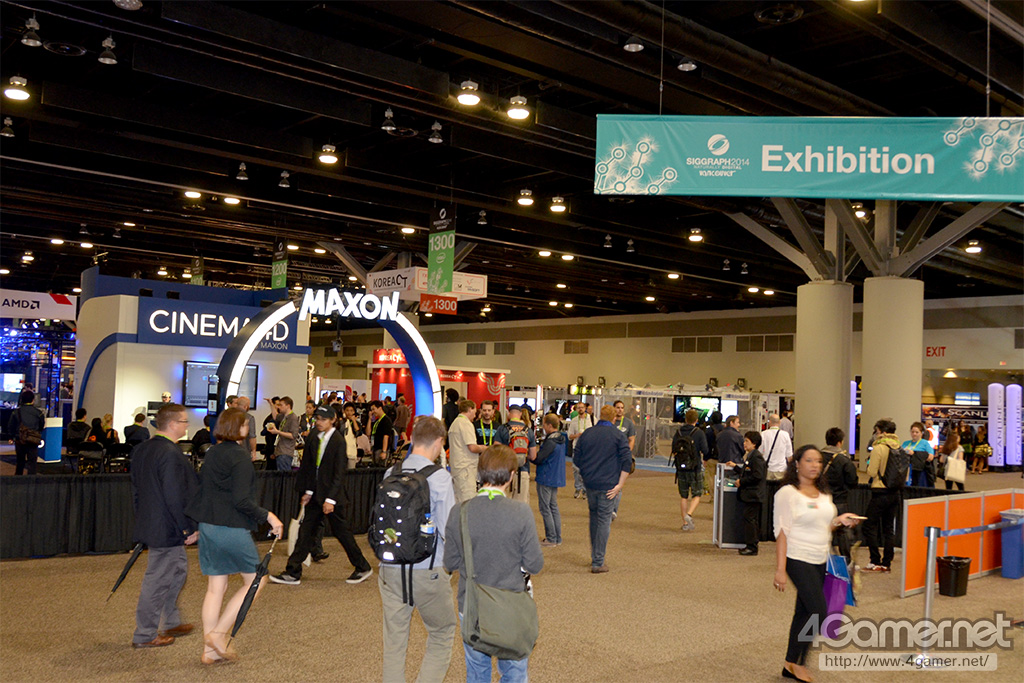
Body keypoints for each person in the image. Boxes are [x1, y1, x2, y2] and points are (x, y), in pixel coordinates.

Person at [184, 408, 284, 665]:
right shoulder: (239, 457)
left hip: (209, 525)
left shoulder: (213, 452)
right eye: (245, 424)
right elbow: (241, 500)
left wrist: (197, 525)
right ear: (238, 428)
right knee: (257, 580)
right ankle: (218, 635)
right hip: (230, 528)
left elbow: (203, 492)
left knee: (216, 588)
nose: (248, 427)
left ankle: (209, 651)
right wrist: (269, 516)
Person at [444, 444, 544, 682]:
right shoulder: (520, 512)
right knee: (514, 671)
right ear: (511, 476)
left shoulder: (459, 512)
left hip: (472, 605)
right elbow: (535, 564)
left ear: (479, 473)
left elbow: (450, 562)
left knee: (477, 671)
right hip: (510, 604)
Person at [378, 416, 457, 683]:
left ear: (411, 439)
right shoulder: (440, 478)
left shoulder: (391, 473)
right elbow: (447, 529)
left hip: (390, 568)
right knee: (441, 633)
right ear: (439, 442)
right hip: (428, 569)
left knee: (394, 641)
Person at [773, 445, 861, 682]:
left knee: (803, 612)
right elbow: (781, 532)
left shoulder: (823, 492)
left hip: (820, 557)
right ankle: (799, 663)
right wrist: (780, 569)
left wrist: (840, 521)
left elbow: (823, 526)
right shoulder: (787, 493)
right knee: (819, 611)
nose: (815, 465)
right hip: (796, 557)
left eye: (819, 461)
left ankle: (789, 663)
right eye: (809, 460)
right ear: (797, 464)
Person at [270, 406, 373, 586]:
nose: (319, 422)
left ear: (333, 420)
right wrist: (308, 491)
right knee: (306, 532)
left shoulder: (338, 441)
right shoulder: (314, 437)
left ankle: (362, 566)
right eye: (317, 418)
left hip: (332, 497)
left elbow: (339, 473)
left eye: (323, 419)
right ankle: (293, 571)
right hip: (316, 495)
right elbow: (311, 468)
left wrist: (330, 500)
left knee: (342, 533)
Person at [129, 403, 199, 649]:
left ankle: (172, 621)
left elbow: (136, 490)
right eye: (184, 421)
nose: (186, 425)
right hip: (167, 527)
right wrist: (187, 528)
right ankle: (145, 634)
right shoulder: (170, 453)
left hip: (155, 523)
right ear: (172, 424)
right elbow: (174, 495)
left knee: (177, 572)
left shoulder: (143, 449)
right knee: (158, 580)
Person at [572, 404, 631, 573]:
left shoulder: (587, 434)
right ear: (614, 418)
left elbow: (576, 458)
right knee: (604, 520)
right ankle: (598, 561)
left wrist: (586, 474)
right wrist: (620, 484)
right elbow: (627, 461)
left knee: (594, 517)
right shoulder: (618, 435)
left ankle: (595, 556)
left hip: (590, 483)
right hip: (609, 484)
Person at [863, 419, 901, 573]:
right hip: (895, 492)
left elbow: (872, 472)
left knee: (869, 525)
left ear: (883, 432)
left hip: (880, 491)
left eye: (877, 431)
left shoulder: (879, 448)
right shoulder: (899, 447)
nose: (876, 434)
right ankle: (886, 563)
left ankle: (875, 560)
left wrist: (869, 464)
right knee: (888, 528)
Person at [820, 427, 859, 562]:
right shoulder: (844, 460)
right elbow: (853, 481)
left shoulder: (817, 458)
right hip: (839, 500)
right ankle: (846, 560)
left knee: (822, 528)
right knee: (843, 531)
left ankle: (822, 558)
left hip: (820, 499)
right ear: (840, 442)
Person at [727, 431, 766, 556]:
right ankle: (750, 545)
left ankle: (752, 547)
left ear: (754, 443)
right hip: (750, 494)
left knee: (750, 520)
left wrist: (742, 482)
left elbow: (757, 475)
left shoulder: (756, 457)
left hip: (753, 495)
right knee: (749, 519)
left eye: (747, 441)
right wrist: (735, 467)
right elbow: (747, 472)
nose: (744, 443)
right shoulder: (750, 456)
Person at [532, 413, 568, 547]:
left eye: (544, 425)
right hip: (555, 477)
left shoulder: (550, 442)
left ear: (548, 425)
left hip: (545, 476)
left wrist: (530, 456)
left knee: (545, 508)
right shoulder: (561, 439)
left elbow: (539, 459)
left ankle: (551, 538)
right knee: (553, 507)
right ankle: (557, 537)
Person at [672, 408, 708, 531]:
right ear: (696, 420)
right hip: (695, 467)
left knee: (684, 496)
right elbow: (705, 450)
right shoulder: (699, 433)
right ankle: (689, 514)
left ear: (685, 419)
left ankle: (685, 523)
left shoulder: (678, 432)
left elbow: (674, 449)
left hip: (681, 468)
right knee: (697, 493)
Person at [494, 405, 537, 503]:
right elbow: (533, 456)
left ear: (509, 414)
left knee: (504, 503)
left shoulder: (502, 428)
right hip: (523, 471)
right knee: (520, 505)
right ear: (520, 414)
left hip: (505, 471)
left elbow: (496, 450)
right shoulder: (528, 431)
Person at [449, 399, 486, 503]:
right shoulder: (465, 424)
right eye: (475, 411)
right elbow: (472, 447)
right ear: (470, 409)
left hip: (457, 469)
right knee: (468, 502)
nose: (475, 415)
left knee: (458, 501)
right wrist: (484, 448)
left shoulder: (455, 423)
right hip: (466, 469)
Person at [8, 390, 44, 475]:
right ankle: (31, 480)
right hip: (33, 439)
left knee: (20, 461)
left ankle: (18, 479)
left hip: (20, 439)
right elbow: (41, 425)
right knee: (32, 462)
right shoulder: (39, 413)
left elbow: (11, 425)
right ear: (33, 400)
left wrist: (11, 437)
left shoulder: (16, 412)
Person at [265, 396, 300, 471]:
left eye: (281, 405)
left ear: (288, 406)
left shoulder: (293, 418)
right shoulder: (283, 416)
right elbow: (275, 416)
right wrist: (271, 404)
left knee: (284, 475)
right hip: (280, 451)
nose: (279, 407)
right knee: (280, 474)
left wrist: (277, 432)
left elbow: (293, 435)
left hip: (286, 452)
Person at [567, 401, 593, 499]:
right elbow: (569, 436)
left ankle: (585, 490)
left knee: (587, 469)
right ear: (576, 409)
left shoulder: (591, 419)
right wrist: (577, 435)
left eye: (582, 407)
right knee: (576, 469)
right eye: (578, 408)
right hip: (577, 447)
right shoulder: (574, 420)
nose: (580, 409)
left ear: (585, 408)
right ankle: (578, 488)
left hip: (588, 448)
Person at [761, 413, 793, 482]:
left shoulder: (763, 434)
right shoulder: (785, 435)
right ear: (779, 422)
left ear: (769, 423)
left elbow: (760, 453)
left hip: (768, 469)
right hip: (781, 469)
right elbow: (789, 456)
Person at [903, 421, 935, 487]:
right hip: (906, 470)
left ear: (921, 433)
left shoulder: (925, 443)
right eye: (912, 432)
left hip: (919, 472)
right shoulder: (906, 443)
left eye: (917, 432)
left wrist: (915, 454)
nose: (914, 434)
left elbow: (930, 457)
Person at [704, 410, 726, 494]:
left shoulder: (708, 431)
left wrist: (705, 458)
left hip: (711, 457)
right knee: (722, 477)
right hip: (723, 458)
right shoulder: (725, 430)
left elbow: (706, 446)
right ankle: (721, 495)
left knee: (711, 477)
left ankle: (713, 496)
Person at [368, 400, 394, 465]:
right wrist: (369, 419)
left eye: (373, 409)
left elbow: (386, 436)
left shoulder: (386, 420)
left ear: (380, 408)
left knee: (380, 467)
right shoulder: (377, 421)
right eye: (371, 410)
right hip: (375, 448)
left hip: (381, 449)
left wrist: (384, 451)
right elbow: (368, 432)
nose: (372, 412)